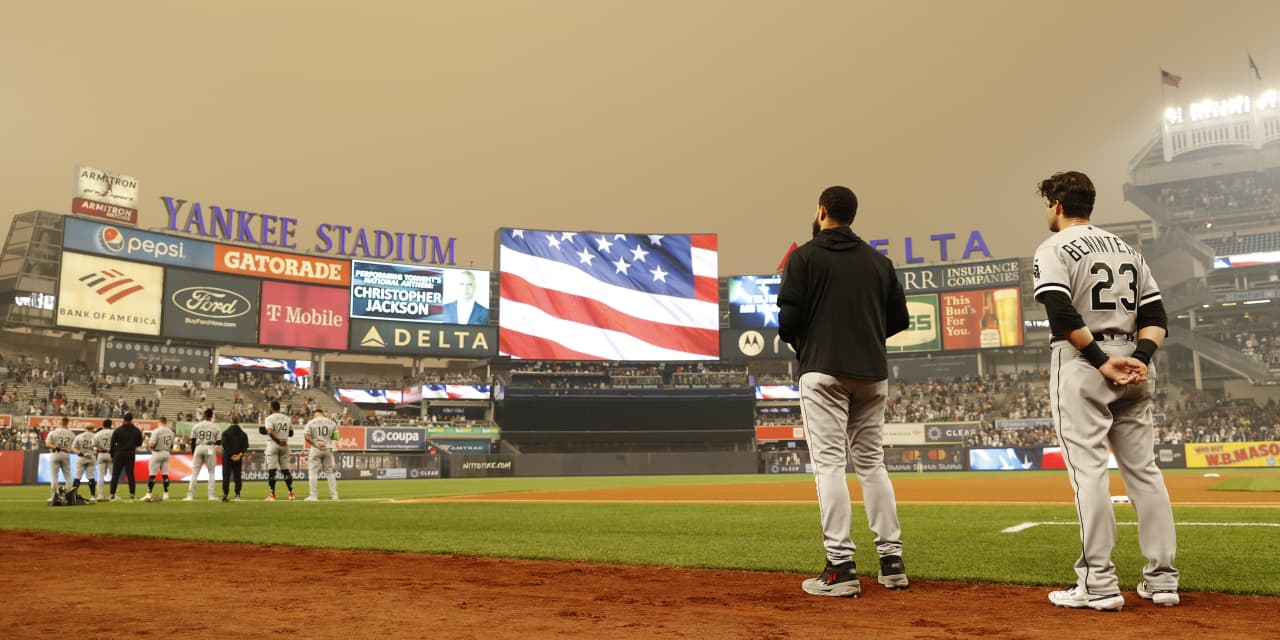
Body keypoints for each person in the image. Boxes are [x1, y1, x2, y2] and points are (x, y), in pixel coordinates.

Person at [1032, 171, 1178, 610]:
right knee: (1145, 474)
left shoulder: (1053, 247)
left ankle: (1098, 583)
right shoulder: (1128, 250)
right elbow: (1157, 317)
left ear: (1057, 205)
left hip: (1084, 364)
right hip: (1133, 362)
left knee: (1089, 473)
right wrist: (1141, 358)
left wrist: (1100, 361)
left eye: (1046, 204)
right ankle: (1163, 580)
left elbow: (1059, 311)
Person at [778, 185, 910, 598]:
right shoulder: (879, 261)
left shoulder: (803, 257)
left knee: (830, 465)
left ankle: (840, 567)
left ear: (821, 211)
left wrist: (812, 343)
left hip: (823, 371)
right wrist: (865, 338)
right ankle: (892, 563)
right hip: (872, 372)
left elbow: (787, 322)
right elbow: (900, 320)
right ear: (853, 215)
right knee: (872, 465)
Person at [262, 400, 296, 501]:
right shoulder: (287, 418)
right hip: (284, 444)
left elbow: (270, 431)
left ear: (272, 407)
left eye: (269, 407)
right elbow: (291, 433)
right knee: (285, 470)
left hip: (273, 444)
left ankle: (272, 495)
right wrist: (283, 438)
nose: (269, 408)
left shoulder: (269, 418)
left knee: (272, 470)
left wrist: (277, 440)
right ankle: (291, 493)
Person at [303, 409, 339, 501]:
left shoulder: (311, 423)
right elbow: (336, 436)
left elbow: (306, 436)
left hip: (316, 448)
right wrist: (332, 446)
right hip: (328, 448)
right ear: (323, 414)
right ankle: (334, 496)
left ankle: (313, 496)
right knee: (329, 472)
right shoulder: (332, 423)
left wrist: (315, 444)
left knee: (313, 472)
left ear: (315, 415)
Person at [186, 408, 221, 501]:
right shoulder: (215, 427)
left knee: (195, 473)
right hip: (209, 447)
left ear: (204, 415)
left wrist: (194, 453)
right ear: (211, 416)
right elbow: (218, 442)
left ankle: (190, 495)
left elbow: (193, 441)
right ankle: (211, 495)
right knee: (211, 472)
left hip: (199, 447)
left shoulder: (197, 426)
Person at [109, 412, 143, 501]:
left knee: (115, 475)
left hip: (119, 454)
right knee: (130, 474)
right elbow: (139, 443)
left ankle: (112, 494)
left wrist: (112, 455)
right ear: (132, 420)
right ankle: (132, 494)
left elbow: (112, 444)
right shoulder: (136, 430)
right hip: (130, 454)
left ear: (123, 420)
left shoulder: (118, 430)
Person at [142, 416, 176, 502]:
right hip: (167, 453)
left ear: (159, 422)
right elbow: (171, 446)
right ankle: (166, 494)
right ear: (166, 422)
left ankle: (148, 494)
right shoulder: (171, 432)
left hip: (157, 453)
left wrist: (147, 442)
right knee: (165, 474)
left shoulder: (156, 431)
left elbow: (152, 445)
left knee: (152, 475)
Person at [44, 417, 75, 503]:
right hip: (66, 454)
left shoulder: (53, 432)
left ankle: (54, 496)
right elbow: (74, 447)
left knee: (54, 476)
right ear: (67, 423)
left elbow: (47, 444)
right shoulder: (71, 434)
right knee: (68, 476)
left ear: (60, 423)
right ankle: (69, 497)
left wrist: (57, 447)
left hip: (55, 453)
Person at [219, 416, 249, 502]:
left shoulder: (225, 433)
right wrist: (239, 455)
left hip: (227, 457)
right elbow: (245, 446)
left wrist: (231, 455)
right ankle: (237, 494)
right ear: (238, 421)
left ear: (231, 421)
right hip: (238, 458)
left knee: (226, 476)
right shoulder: (243, 434)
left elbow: (225, 445)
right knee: (237, 476)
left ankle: (225, 494)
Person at [70, 421, 98, 502]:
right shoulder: (95, 436)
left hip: (81, 457)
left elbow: (73, 448)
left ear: (85, 428)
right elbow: (97, 447)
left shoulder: (79, 436)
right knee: (91, 477)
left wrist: (82, 454)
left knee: (77, 477)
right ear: (93, 428)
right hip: (91, 456)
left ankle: (73, 495)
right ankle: (93, 496)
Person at [93, 419, 113, 501]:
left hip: (101, 455)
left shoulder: (97, 434)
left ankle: (100, 495)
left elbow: (93, 447)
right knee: (113, 475)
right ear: (111, 424)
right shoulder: (113, 432)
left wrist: (101, 450)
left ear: (103, 425)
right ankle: (113, 495)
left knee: (100, 476)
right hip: (111, 455)